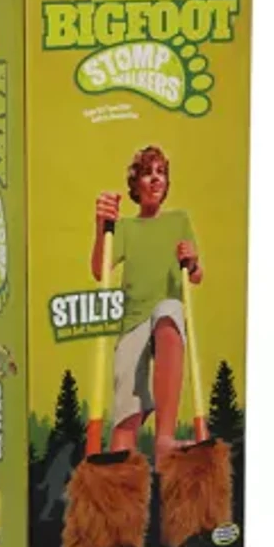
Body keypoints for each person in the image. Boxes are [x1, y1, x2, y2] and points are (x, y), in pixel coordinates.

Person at [91, 145, 203, 462]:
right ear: (135, 185)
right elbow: (100, 269)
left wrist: (192, 261)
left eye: (161, 173)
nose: (155, 179)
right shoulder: (126, 228)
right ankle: (119, 468)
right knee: (127, 408)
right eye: (147, 173)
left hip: (165, 309)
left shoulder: (179, 220)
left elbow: (196, 276)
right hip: (132, 320)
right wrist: (102, 226)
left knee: (169, 314)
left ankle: (164, 438)